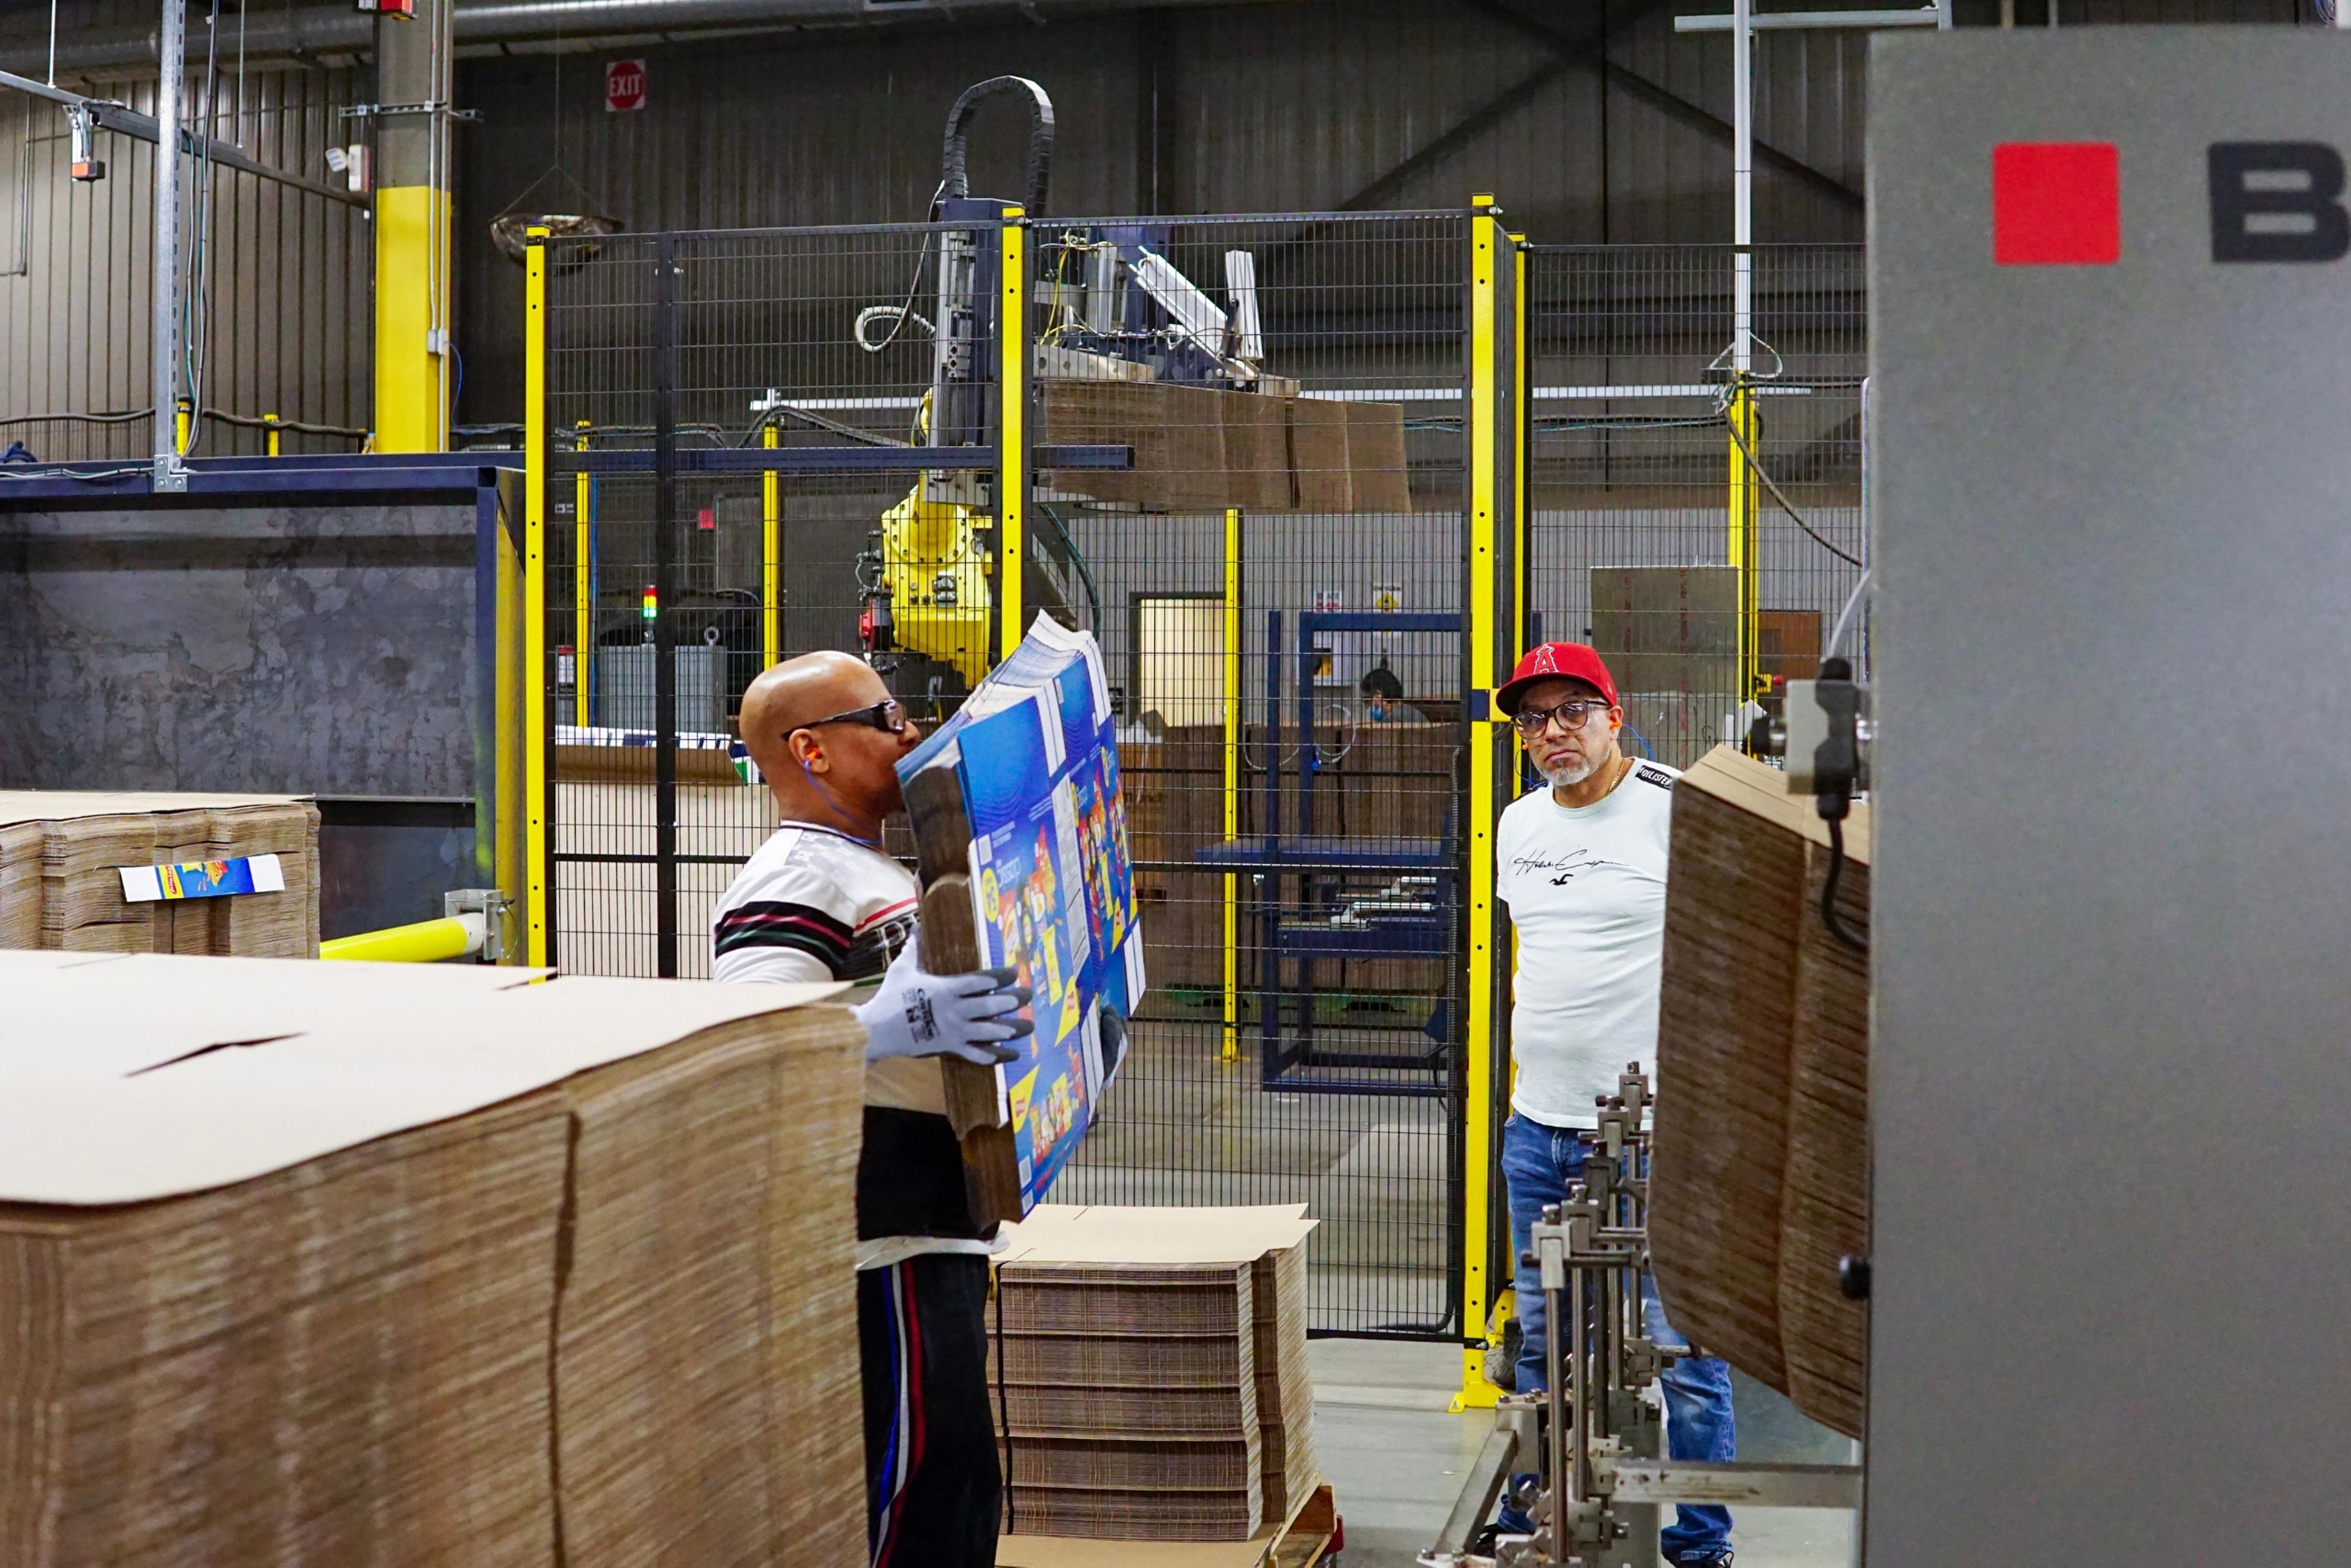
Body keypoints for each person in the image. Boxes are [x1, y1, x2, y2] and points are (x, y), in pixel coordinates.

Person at [712, 650, 1031, 1568]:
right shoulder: (793, 881)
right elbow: (745, 1048)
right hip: (880, 1246)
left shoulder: (872, 869)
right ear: (810, 749)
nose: (909, 730)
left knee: (956, 1493)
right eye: (885, 716)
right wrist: (883, 1030)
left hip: (935, 1232)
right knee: (915, 1498)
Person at [1485, 641, 1738, 1568]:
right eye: (1532, 719)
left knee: (1686, 1352)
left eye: (1570, 712)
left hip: (1653, 1130)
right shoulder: (1517, 823)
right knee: (1544, 1343)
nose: (1552, 733)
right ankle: (1537, 1516)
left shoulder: (1677, 807)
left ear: (1612, 716)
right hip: (1536, 1128)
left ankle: (1703, 1544)